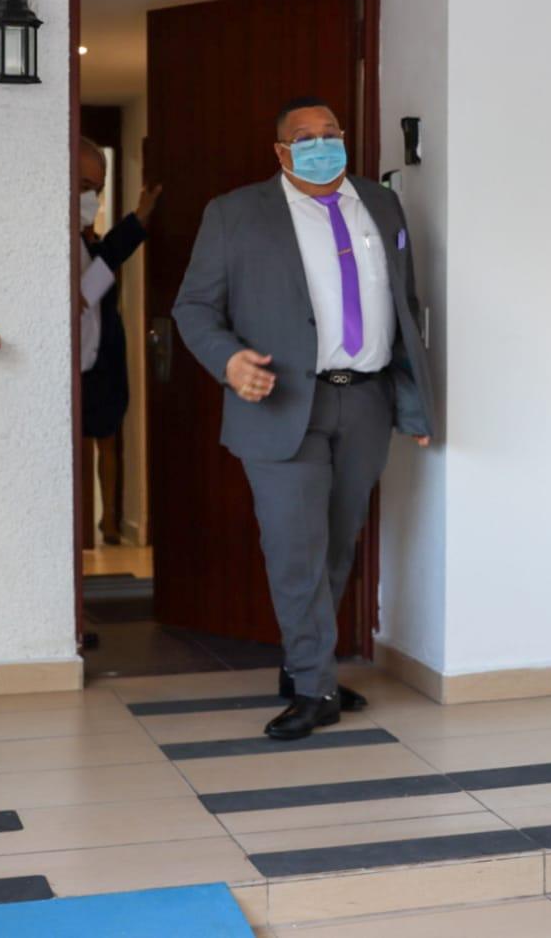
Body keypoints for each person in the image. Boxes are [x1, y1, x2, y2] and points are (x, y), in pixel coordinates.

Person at [173, 96, 435, 740]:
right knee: (296, 549)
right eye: (305, 136)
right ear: (281, 151)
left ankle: (304, 666)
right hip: (283, 402)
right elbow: (194, 308)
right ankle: (316, 686)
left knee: (337, 544)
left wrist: (414, 403)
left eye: (330, 132)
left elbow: (403, 307)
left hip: (366, 399)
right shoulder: (236, 214)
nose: (322, 144)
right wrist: (228, 361)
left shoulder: (381, 204)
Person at [77, 138, 160, 543]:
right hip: (73, 371)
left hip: (103, 361)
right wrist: (134, 225)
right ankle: (81, 533)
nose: (90, 198)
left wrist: (139, 219)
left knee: (108, 440)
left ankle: (107, 521)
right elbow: (80, 295)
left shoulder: (87, 240)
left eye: (97, 188)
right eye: (82, 186)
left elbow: (96, 283)